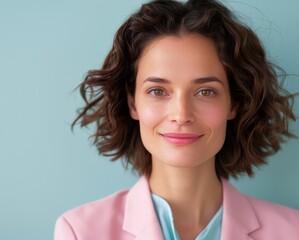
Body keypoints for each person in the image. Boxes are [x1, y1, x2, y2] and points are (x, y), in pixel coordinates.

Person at [55, 0, 299, 239]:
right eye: (158, 91)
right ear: (133, 103)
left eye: (206, 92)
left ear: (234, 104)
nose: (181, 115)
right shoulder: (79, 231)